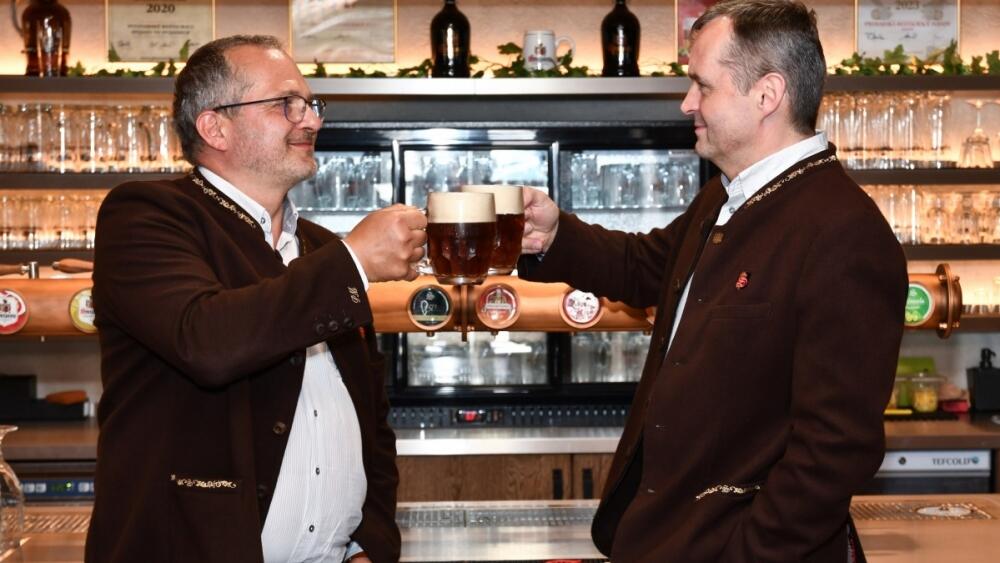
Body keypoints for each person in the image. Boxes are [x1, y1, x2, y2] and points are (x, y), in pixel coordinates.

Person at [519, 1, 907, 561]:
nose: (687, 103)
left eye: (703, 85)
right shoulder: (726, 196)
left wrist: (746, 552)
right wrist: (555, 235)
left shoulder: (844, 233)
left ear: (767, 95)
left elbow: (835, 450)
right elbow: (647, 267)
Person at [86, 35, 426, 563]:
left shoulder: (321, 248)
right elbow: (206, 342)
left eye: (311, 104)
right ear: (214, 126)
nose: (311, 121)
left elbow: (372, 423)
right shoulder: (146, 215)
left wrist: (369, 544)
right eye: (285, 104)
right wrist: (356, 260)